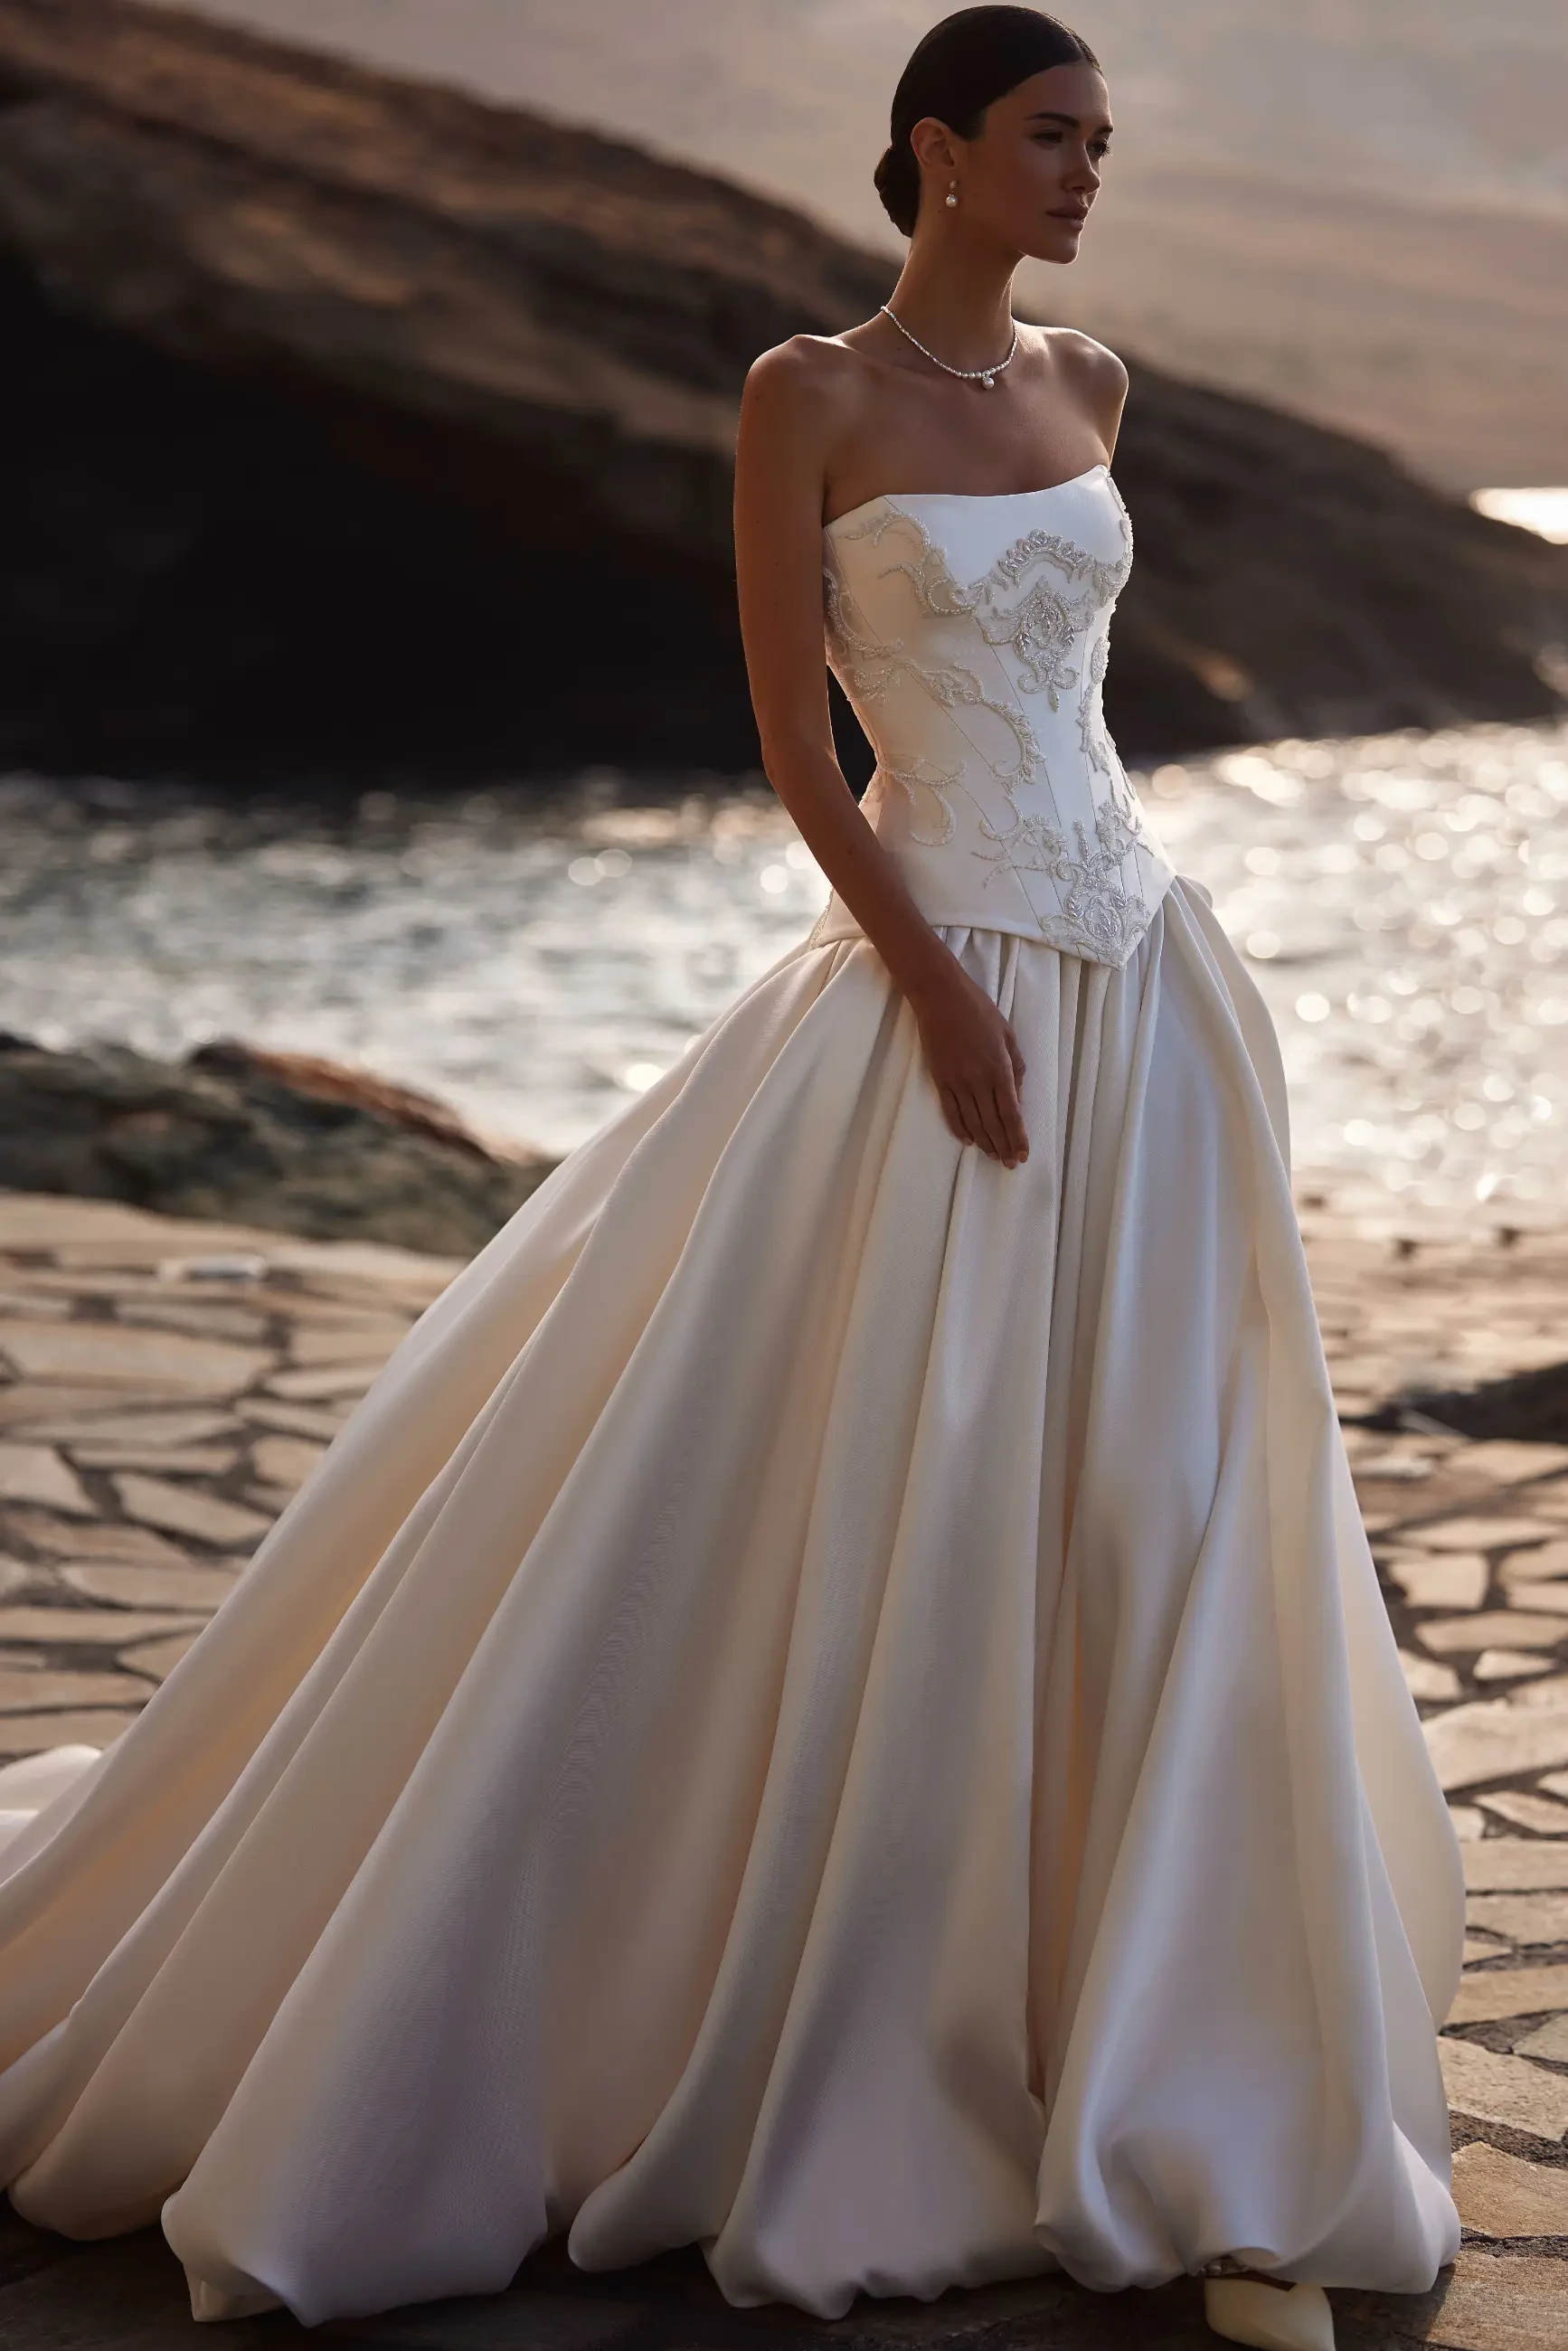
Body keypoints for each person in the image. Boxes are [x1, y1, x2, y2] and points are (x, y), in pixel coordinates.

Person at [0, 11, 1462, 2351]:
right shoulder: (810, 391)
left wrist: (1097, 971)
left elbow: (1082, 705)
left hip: (1153, 987)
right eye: (1048, 137)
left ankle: (1192, 2066)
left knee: (1164, 1485)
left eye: (1103, 137)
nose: (1086, 172)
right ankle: (871, 2013)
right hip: (935, 974)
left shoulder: (1094, 381)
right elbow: (795, 741)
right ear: (935, 152)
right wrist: (939, 992)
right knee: (915, 1464)